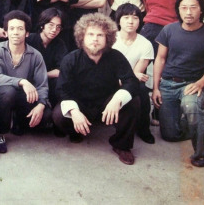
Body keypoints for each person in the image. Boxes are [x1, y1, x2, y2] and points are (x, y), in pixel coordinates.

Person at [53, 13, 140, 165]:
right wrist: (74, 112)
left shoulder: (116, 57)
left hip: (107, 105)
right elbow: (62, 89)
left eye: (100, 35)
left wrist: (117, 100)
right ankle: (76, 131)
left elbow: (131, 81)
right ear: (82, 37)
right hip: (80, 104)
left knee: (133, 101)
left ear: (108, 38)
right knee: (59, 115)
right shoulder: (71, 59)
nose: (95, 39)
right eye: (91, 34)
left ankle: (122, 145)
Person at [152, 0, 204, 168]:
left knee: (191, 106)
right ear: (178, 10)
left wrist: (200, 83)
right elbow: (160, 59)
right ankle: (201, 126)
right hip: (168, 83)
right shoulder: (169, 30)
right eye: (184, 8)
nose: (188, 12)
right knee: (169, 134)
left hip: (193, 84)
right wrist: (156, 88)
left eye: (193, 7)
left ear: (201, 10)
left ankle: (201, 154)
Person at [0, 10, 50, 153]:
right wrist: (22, 81)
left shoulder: (35, 55)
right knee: (8, 92)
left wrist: (41, 105)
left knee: (46, 114)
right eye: (12, 29)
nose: (15, 32)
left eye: (20, 29)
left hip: (23, 97)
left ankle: (19, 120)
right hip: (2, 94)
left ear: (27, 33)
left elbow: (42, 84)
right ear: (6, 32)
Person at [113, 3, 155, 144]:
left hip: (131, 81)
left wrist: (130, 77)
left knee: (142, 91)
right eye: (126, 17)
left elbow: (138, 72)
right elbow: (104, 68)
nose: (130, 21)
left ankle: (143, 129)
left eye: (135, 18)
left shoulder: (145, 44)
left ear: (140, 21)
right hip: (109, 79)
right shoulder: (110, 39)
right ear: (118, 20)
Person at [26, 7, 68, 108]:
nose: (54, 30)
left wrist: (42, 75)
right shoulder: (29, 40)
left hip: (48, 81)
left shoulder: (59, 44)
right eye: (51, 25)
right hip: (28, 81)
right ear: (42, 25)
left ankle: (56, 113)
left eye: (58, 27)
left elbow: (62, 70)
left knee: (60, 82)